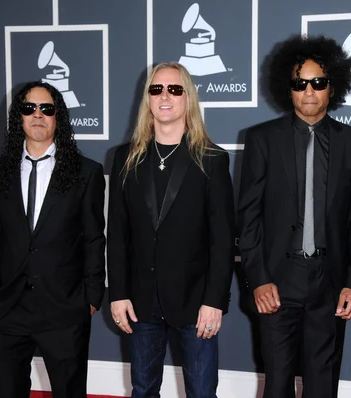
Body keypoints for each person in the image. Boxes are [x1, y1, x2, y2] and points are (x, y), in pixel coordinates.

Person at [238, 35, 351, 398]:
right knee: (277, 383)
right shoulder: (262, 139)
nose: (309, 91)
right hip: (278, 281)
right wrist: (259, 279)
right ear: (287, 88)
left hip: (331, 282)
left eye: (318, 82)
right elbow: (248, 216)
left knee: (323, 385)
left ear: (332, 87)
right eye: (299, 83)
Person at [107, 62, 236, 398]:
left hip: (196, 303)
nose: (165, 96)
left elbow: (222, 239)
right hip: (141, 301)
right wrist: (118, 293)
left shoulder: (211, 158)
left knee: (202, 392)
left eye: (174, 89)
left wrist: (214, 301)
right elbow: (118, 233)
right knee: (143, 389)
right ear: (147, 99)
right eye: (156, 89)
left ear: (188, 98)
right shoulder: (125, 158)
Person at [0, 81, 106, 398]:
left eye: (46, 108)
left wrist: (91, 298)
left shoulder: (85, 172)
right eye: (28, 108)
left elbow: (94, 238)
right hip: (8, 306)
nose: (37, 115)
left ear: (58, 117)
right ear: (18, 117)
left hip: (64, 307)